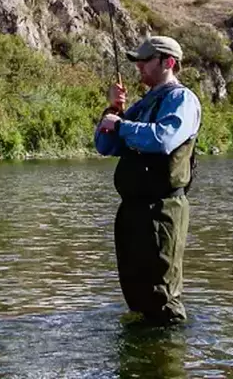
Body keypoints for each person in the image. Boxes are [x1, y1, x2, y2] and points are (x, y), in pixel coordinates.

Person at [94, 35, 201, 325]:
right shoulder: (141, 106)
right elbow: (105, 146)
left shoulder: (182, 100)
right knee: (136, 293)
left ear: (168, 62)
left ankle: (168, 358)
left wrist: (123, 125)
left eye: (145, 60)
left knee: (161, 295)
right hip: (132, 211)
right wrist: (113, 110)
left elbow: (164, 139)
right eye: (138, 61)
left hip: (162, 210)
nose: (138, 66)